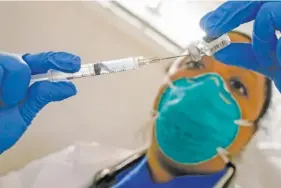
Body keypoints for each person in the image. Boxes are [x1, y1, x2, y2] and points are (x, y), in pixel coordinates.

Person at [0, 1, 281, 187]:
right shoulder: (71, 166)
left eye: (238, 86)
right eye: (195, 64)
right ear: (162, 93)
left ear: (250, 134)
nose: (207, 87)